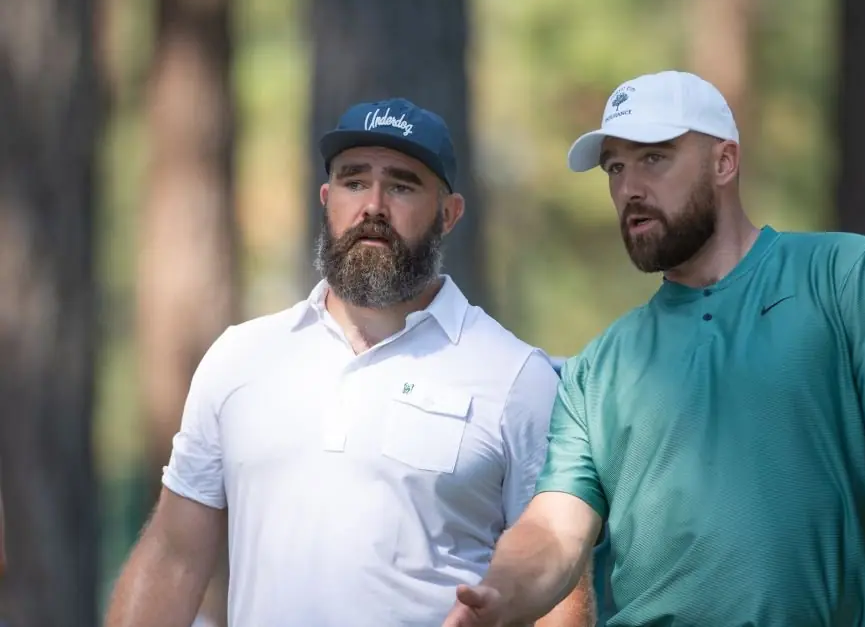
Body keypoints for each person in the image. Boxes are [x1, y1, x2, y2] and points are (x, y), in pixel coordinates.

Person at [444, 71, 865, 627]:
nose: (629, 188)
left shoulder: (844, 276)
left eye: (654, 158)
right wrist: (501, 595)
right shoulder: (599, 366)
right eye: (615, 168)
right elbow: (554, 529)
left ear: (724, 162)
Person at [105, 98, 592, 627]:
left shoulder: (516, 377)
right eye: (354, 182)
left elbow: (559, 587)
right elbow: (174, 556)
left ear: (449, 214)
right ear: (326, 199)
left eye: (402, 185)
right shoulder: (240, 358)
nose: (374, 206)